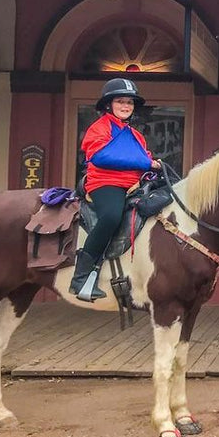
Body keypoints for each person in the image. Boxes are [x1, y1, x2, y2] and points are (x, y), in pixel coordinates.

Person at [71, 78, 161, 301]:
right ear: (108, 104)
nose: (126, 106)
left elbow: (144, 159)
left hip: (134, 186)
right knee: (111, 216)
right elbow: (101, 156)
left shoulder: (136, 135)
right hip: (105, 183)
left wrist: (155, 166)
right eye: (120, 101)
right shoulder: (99, 128)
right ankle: (81, 277)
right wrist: (145, 163)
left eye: (129, 102)